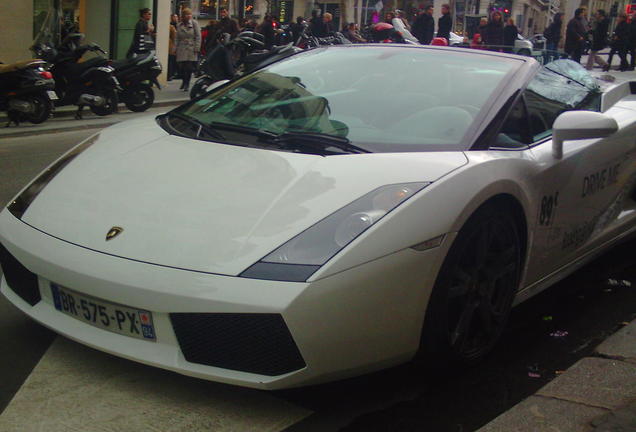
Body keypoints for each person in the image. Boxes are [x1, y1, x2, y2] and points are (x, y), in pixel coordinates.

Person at [175, 8, 201, 91]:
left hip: (191, 47)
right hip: (182, 47)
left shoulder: (194, 23)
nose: (189, 16)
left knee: (188, 67)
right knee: (181, 67)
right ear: (183, 16)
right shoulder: (179, 25)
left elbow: (198, 36)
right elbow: (177, 38)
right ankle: (183, 81)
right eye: (187, 14)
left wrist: (197, 47)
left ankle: (187, 83)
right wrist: (175, 48)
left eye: (190, 14)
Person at [168, 14, 178, 80]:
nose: (176, 18)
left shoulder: (173, 26)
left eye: (176, 17)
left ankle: (171, 74)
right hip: (170, 46)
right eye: (174, 17)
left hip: (171, 46)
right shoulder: (172, 26)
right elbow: (174, 37)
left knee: (171, 60)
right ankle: (170, 74)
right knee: (171, 61)